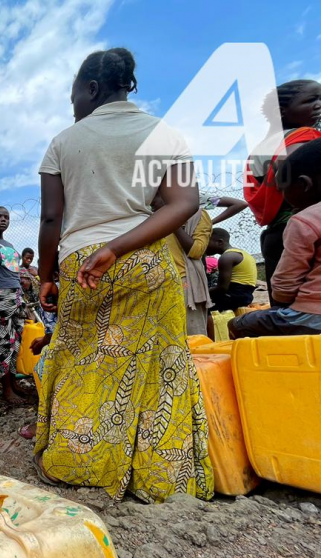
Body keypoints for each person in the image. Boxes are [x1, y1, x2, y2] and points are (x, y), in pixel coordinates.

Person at [35, 48, 213, 503]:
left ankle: (75, 463)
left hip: (81, 265)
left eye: (74, 93)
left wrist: (47, 276)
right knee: (160, 367)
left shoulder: (63, 141)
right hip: (146, 262)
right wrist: (118, 247)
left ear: (92, 89)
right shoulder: (164, 133)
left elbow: (52, 219)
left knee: (81, 361)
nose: (72, 104)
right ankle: (159, 480)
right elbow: (183, 204)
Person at [231, 139, 321, 337]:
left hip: (313, 316)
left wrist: (281, 302)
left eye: (281, 190)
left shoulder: (304, 220)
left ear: (304, 185)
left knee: (239, 324)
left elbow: (284, 285)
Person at [245, 80, 321, 304]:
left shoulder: (262, 147)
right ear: (281, 111)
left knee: (286, 311)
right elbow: (289, 168)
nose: (318, 105)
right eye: (311, 100)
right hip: (308, 233)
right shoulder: (302, 137)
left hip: (277, 233)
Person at [0, 206, 29, 405]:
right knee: (3, 342)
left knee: (16, 342)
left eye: (6, 217)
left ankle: (13, 381)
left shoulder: (9, 243)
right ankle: (6, 389)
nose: (3, 220)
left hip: (16, 294)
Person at [154, 196, 213, 335]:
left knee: (192, 335)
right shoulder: (148, 217)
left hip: (184, 282)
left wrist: (171, 218)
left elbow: (197, 251)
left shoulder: (197, 215)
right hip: (157, 283)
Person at [204, 228, 257, 313]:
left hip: (233, 297)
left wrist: (202, 293)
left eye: (206, 242)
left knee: (202, 308)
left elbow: (222, 289)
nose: (203, 245)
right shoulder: (242, 253)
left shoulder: (226, 257)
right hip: (246, 295)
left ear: (219, 242)